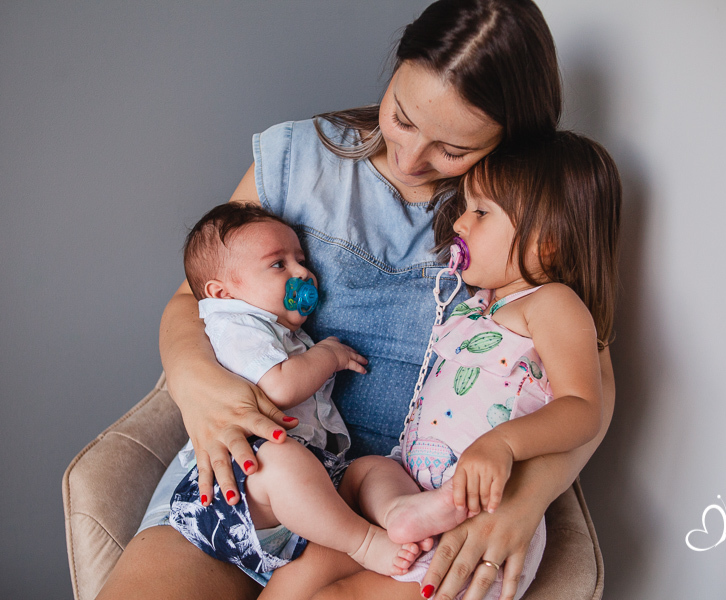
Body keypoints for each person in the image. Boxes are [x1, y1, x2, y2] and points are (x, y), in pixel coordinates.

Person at [96, 2, 616, 599]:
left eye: (452, 149)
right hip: (256, 482)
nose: (413, 158)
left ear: (509, 138)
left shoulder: (507, 220)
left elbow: (590, 388)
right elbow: (195, 299)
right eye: (403, 116)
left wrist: (525, 499)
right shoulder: (298, 160)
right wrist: (193, 381)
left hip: (394, 506)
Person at [310, 130, 621, 600]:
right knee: (358, 480)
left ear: (548, 242)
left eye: (481, 212)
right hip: (413, 485)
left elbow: (583, 407)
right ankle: (402, 513)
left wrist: (504, 444)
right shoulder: (477, 302)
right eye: (465, 208)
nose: (459, 224)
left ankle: (418, 516)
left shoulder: (554, 305)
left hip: (473, 519)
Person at [167, 202, 428, 582]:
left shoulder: (280, 331)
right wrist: (328, 355)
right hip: (237, 490)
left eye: (300, 260)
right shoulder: (234, 325)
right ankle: (365, 542)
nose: (302, 273)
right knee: (285, 463)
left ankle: (401, 514)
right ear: (221, 292)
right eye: (279, 264)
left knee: (375, 469)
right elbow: (281, 386)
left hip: (306, 485)